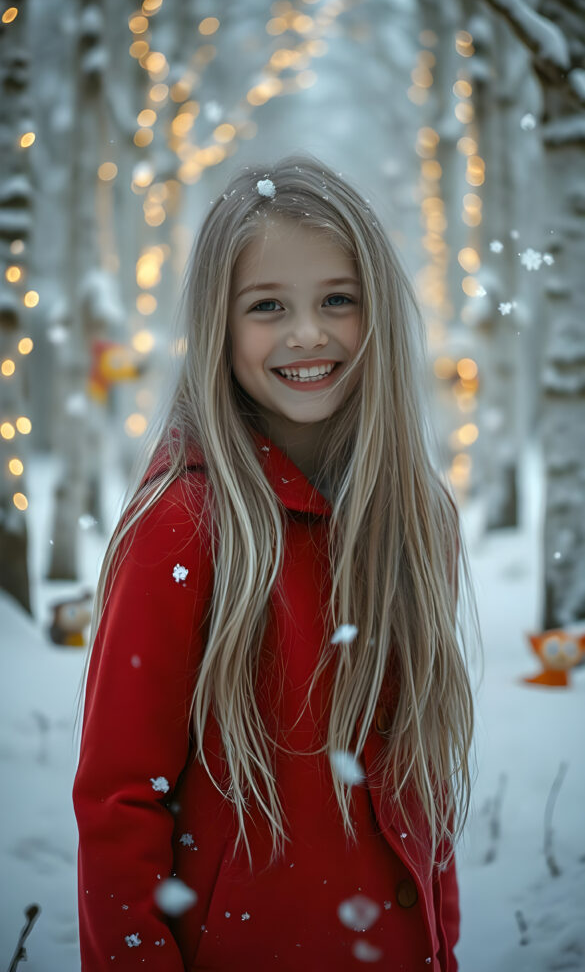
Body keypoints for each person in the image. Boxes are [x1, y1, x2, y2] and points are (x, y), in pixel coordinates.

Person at [72, 155, 478, 971]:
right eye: (267, 306)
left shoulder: (414, 515)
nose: (306, 333)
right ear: (217, 328)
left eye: (337, 300)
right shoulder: (183, 528)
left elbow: (412, 796)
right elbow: (120, 808)